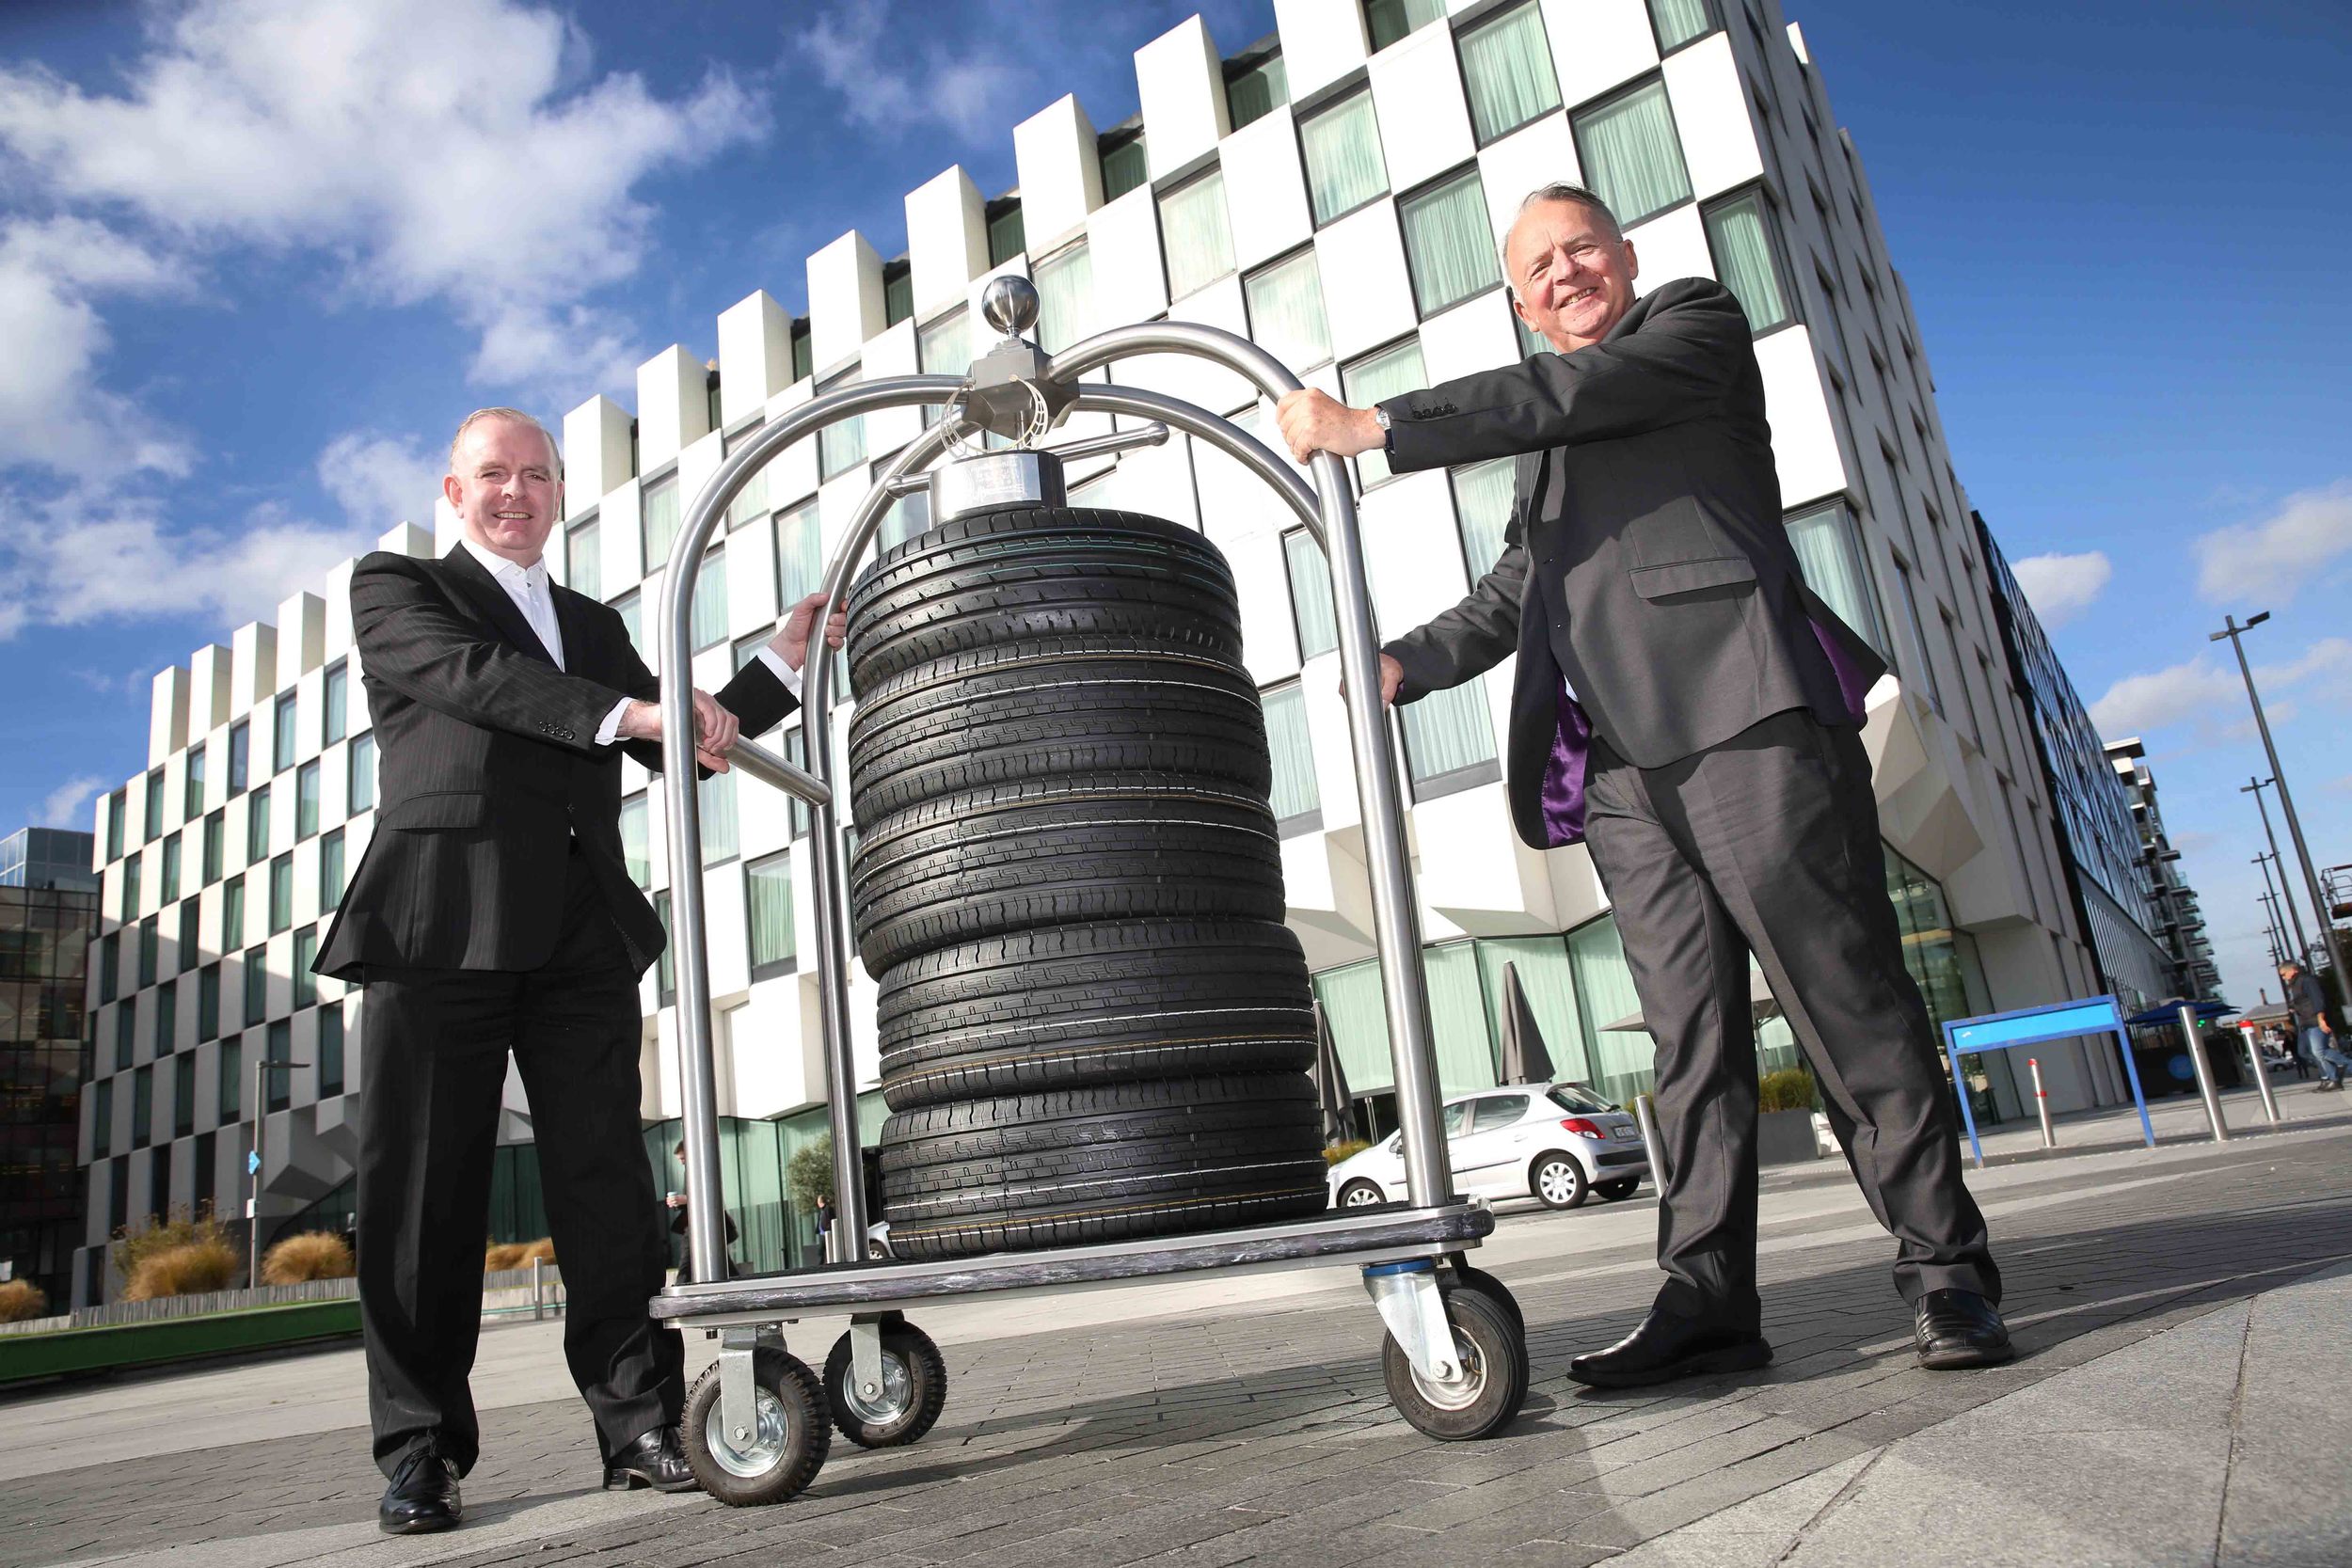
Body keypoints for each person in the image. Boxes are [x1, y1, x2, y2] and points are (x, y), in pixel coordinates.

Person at [1275, 182, 2010, 1386]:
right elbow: (1522, 587)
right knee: (1690, 1045)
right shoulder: (1550, 439)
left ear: (1621, 254)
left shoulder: (1689, 332)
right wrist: (1408, 660)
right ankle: (1708, 1295)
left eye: (1579, 249)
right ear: (1519, 301)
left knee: (1844, 1000)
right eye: (1538, 268)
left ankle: (1946, 1272)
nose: (1564, 274)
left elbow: (1574, 391)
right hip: (1619, 777)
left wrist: (1380, 425)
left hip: (1741, 719)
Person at [317, 406, 843, 1534]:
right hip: (438, 920)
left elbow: (673, 734)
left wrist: (777, 663)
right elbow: (476, 682)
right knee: (422, 1194)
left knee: (607, 1184)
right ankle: (419, 1449)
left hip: (576, 932)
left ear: (559, 493)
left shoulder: (592, 624)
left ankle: (640, 1423)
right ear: (453, 495)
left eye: (536, 476)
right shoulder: (396, 587)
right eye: (492, 475)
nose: (516, 492)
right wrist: (625, 708)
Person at [666, 1139, 739, 1284]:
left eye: (683, 1158)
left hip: (699, 1223)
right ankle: (738, 1282)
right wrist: (679, 1202)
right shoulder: (694, 1170)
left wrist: (684, 1200)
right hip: (700, 1222)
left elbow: (706, 1195)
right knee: (720, 1257)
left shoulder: (699, 1169)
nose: (682, 1162)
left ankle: (680, 1290)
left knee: (687, 1261)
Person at [2280, 960, 2351, 1090]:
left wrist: (2321, 1018)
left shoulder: (2307, 980)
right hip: (2305, 1022)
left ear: (2293, 970)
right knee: (2305, 1051)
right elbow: (2301, 1001)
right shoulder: (2294, 985)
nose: (2283, 978)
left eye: (2284, 974)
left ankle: (2338, 1071)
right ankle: (2332, 1077)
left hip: (2314, 1020)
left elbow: (2317, 999)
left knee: (2319, 1051)